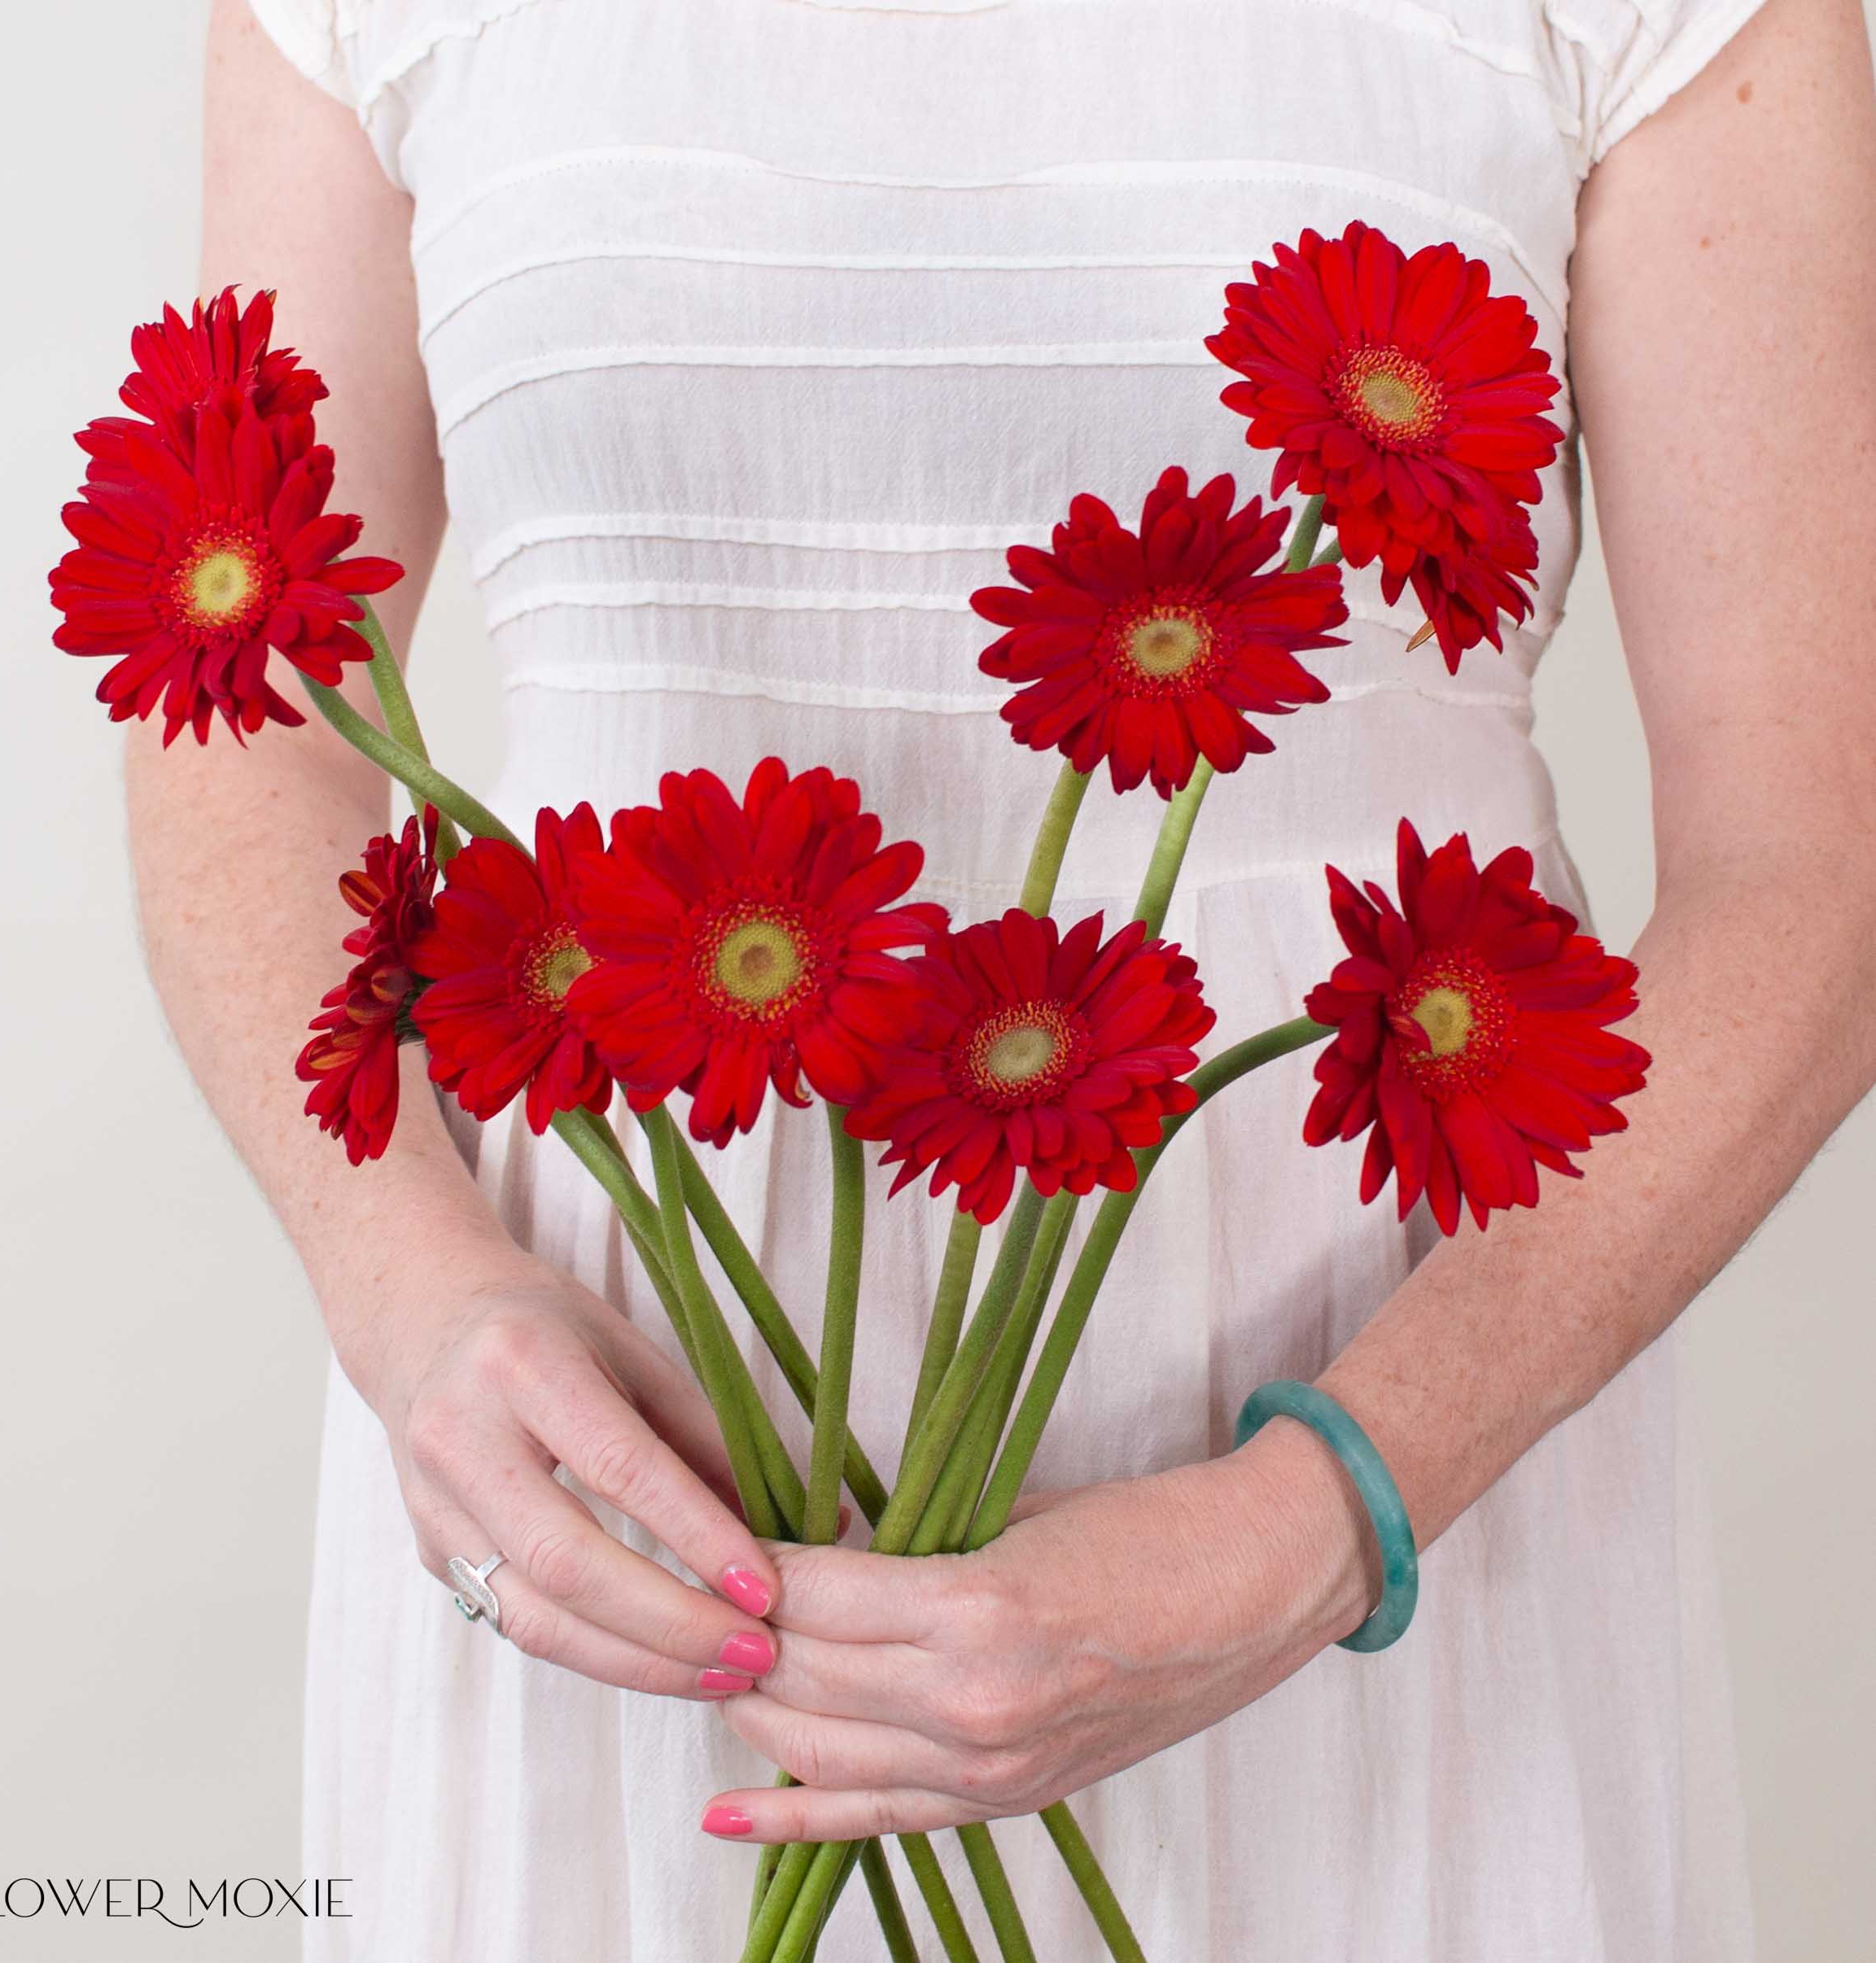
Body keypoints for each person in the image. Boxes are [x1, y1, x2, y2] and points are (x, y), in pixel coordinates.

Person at [136, 0, 1876, 1954]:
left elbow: (1812, 865)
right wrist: (403, 1287)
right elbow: (246, 690)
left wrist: (1322, 1518)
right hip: (612, 1482)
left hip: (1388, 1438)